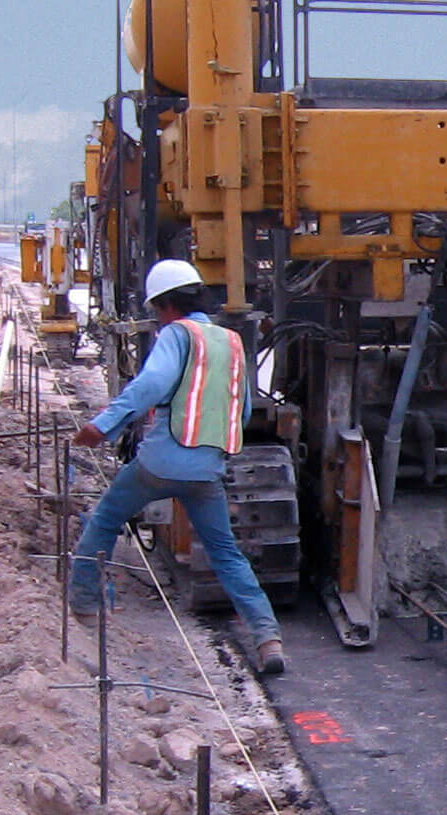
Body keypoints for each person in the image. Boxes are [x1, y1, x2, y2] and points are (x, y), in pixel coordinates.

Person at [68, 260, 286, 675]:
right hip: (207, 468)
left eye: (156, 309)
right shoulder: (232, 341)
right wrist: (221, 453)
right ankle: (267, 638)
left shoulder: (176, 335)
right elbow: (240, 409)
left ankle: (83, 605)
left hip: (160, 462)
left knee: (106, 518)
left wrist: (103, 426)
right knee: (226, 554)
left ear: (166, 306)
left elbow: (151, 385)